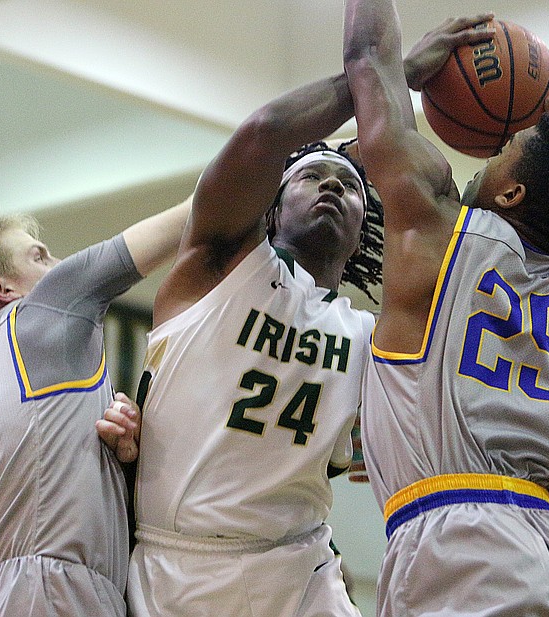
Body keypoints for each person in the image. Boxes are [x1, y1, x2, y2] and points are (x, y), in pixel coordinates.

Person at [343, 4, 549, 616]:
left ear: (513, 191)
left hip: (467, 557)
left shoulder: (441, 233)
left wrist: (409, 66)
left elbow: (367, 62)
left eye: (510, 145)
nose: (495, 147)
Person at [109, 66, 387, 616]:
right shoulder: (215, 270)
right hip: (180, 561)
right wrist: (376, 79)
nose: (332, 184)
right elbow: (263, 134)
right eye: (310, 178)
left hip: (296, 561)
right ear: (272, 210)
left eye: (350, 185)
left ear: (360, 236)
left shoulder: (369, 338)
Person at [0, 198, 190, 617]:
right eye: (38, 256)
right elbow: (197, 214)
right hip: (49, 593)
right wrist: (281, 166)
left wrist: (123, 467)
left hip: (11, 593)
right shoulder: (37, 313)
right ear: (3, 289)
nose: (57, 263)